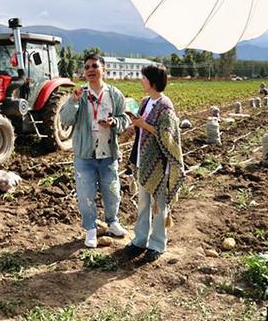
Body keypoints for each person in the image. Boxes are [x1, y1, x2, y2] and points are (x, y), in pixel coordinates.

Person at [60, 53, 131, 248]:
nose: (90, 70)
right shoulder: (79, 95)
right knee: (85, 193)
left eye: (94, 66)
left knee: (112, 190)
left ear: (103, 69)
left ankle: (113, 222)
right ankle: (91, 229)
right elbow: (65, 120)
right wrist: (73, 102)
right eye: (87, 67)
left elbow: (125, 120)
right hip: (85, 154)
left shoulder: (114, 94)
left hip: (108, 152)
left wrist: (114, 122)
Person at [124, 64, 184, 263]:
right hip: (143, 161)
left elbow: (168, 136)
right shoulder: (145, 101)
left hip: (159, 164)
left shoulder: (165, 105)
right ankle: (140, 240)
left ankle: (157, 244)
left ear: (153, 81)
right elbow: (143, 127)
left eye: (144, 78)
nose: (141, 80)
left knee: (158, 207)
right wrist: (136, 124)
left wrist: (145, 125)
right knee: (143, 203)